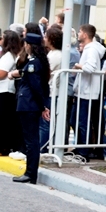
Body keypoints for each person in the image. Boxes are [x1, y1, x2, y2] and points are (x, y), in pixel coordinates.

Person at [11, 32, 49, 184]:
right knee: (31, 141)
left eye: (26, 44)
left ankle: (31, 173)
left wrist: (42, 107)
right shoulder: (36, 61)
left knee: (31, 142)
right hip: (30, 105)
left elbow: (36, 87)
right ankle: (30, 172)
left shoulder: (33, 63)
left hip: (29, 106)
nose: (24, 46)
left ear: (29, 45)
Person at [72, 24, 106, 159]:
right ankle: (80, 147)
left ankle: (83, 151)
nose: (78, 34)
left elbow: (90, 68)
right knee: (75, 120)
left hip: (87, 92)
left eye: (80, 32)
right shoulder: (90, 48)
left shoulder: (91, 50)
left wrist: (78, 65)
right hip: (83, 91)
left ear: (85, 35)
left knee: (82, 122)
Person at [0, 30, 24, 156]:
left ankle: (3, 147)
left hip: (5, 91)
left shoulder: (8, 56)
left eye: (3, 38)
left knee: (4, 121)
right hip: (6, 91)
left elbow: (2, 74)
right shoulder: (11, 55)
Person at [39, 26, 63, 152]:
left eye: (46, 36)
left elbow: (45, 73)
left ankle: (42, 149)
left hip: (51, 92)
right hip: (51, 92)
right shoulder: (53, 54)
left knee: (45, 122)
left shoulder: (55, 56)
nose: (44, 39)